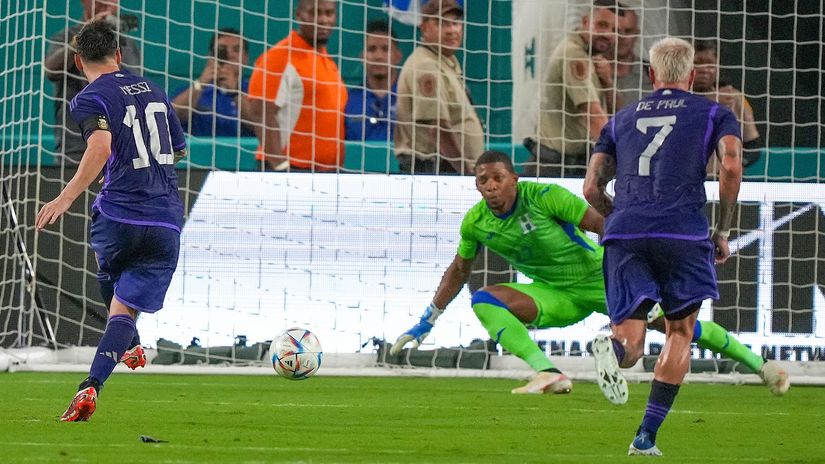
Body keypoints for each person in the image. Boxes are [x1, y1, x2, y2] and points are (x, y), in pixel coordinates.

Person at [391, 150, 788, 397]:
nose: (492, 187)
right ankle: (548, 373)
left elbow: (606, 226)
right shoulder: (475, 223)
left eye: (498, 178)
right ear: (476, 186)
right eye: (483, 181)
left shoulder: (546, 197)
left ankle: (761, 366)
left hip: (607, 281)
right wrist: (427, 321)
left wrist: (640, 269)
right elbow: (459, 271)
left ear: (514, 179)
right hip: (555, 295)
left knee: (676, 327)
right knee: (485, 300)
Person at [583, 37, 786, 456]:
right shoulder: (713, 112)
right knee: (680, 331)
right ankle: (645, 437)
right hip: (682, 231)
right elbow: (731, 164)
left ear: (652, 74)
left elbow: (590, 187)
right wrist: (723, 231)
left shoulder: (620, 117)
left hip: (626, 229)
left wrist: (617, 217)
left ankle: (613, 348)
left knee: (632, 344)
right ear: (692, 76)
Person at [36, 20, 186, 422]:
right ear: (118, 55)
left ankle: (115, 359)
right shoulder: (153, 89)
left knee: (109, 269)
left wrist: (65, 196)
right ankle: (102, 374)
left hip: (118, 213)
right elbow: (179, 150)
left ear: (77, 59)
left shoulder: (88, 97)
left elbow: (100, 146)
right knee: (125, 306)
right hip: (166, 219)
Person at [247, 0, 347, 172]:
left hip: (325, 173)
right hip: (290, 171)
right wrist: (280, 166)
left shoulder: (325, 59)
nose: (323, 20)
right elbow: (260, 111)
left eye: (329, 13)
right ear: (299, 15)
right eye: (315, 13)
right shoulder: (280, 57)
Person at [528, 0, 623, 178]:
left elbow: (615, 112)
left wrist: (608, 82)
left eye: (615, 30)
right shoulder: (574, 54)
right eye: (602, 25)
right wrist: (623, 156)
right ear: (585, 22)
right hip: (553, 166)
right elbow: (593, 116)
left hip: (569, 163)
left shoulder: (591, 57)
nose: (608, 34)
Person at [44, 0, 141, 164]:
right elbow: (52, 71)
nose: (106, 6)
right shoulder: (67, 36)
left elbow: (131, 88)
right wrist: (84, 36)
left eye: (112, 2)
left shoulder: (126, 43)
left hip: (119, 148)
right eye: (99, 2)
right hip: (76, 147)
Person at [394, 0, 483, 174]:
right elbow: (438, 129)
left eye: (455, 23)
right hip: (433, 169)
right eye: (442, 23)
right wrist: (466, 174)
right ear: (424, 28)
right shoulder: (426, 65)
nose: (452, 30)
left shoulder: (445, 62)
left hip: (445, 168)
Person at [170, 27, 255, 137]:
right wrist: (200, 85)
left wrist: (235, 92)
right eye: (222, 50)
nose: (229, 55)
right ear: (211, 56)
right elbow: (168, 119)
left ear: (246, 58)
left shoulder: (255, 92)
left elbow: (262, 126)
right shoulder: (190, 91)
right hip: (200, 153)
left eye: (236, 49)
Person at [693, 40, 762, 167]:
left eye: (710, 64)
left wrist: (737, 164)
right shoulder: (676, 99)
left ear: (718, 67)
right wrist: (711, 100)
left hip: (722, 177)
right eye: (696, 63)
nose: (703, 70)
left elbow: (753, 146)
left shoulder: (733, 97)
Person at [344, 19, 402, 141]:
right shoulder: (348, 101)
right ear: (362, 56)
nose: (378, 56)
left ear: (398, 56)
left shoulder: (411, 98)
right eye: (372, 49)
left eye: (386, 49)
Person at [602, 8, 653, 110]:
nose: (622, 37)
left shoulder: (652, 73)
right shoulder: (593, 71)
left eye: (628, 31)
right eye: (616, 31)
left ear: (637, 34)